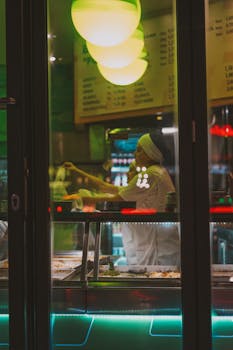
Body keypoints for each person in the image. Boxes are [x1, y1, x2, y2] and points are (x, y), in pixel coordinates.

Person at [63, 132, 180, 266]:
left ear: (150, 153)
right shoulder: (157, 172)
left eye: (140, 150)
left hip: (159, 250)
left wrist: (88, 200)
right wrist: (76, 170)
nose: (135, 154)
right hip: (159, 246)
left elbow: (118, 197)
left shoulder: (151, 174)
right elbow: (106, 187)